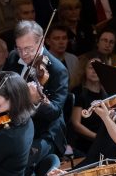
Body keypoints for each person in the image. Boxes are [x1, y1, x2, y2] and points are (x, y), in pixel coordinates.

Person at [4, 20, 69, 163]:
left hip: (44, 134)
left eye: (28, 49)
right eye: (19, 48)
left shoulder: (57, 70)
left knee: (20, 160)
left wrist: (37, 100)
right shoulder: (13, 57)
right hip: (15, 126)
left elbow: (55, 112)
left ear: (41, 42)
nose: (23, 54)